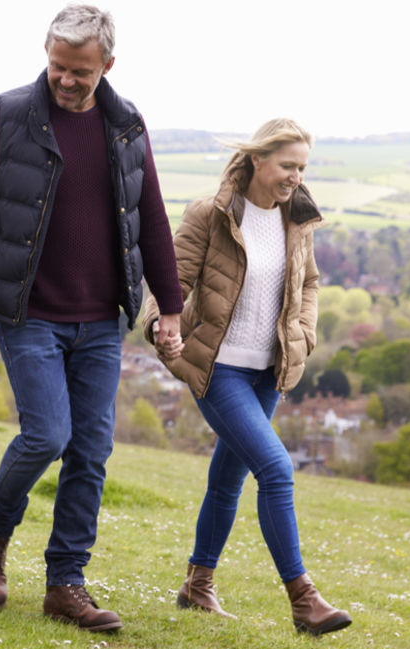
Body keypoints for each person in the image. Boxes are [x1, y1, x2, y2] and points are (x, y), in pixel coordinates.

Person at [0, 3, 184, 633]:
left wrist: (171, 308)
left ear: (108, 65)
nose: (66, 80)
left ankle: (66, 584)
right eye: (57, 66)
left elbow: (151, 220)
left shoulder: (126, 125)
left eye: (80, 71)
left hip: (101, 319)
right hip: (29, 312)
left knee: (91, 451)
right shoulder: (8, 116)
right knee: (47, 435)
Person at [140, 118, 352, 636]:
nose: (295, 177)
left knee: (227, 479)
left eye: (302, 168)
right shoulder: (210, 215)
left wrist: (303, 334)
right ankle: (303, 599)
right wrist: (160, 324)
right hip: (219, 369)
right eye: (287, 165)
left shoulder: (296, 220)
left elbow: (309, 283)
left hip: (267, 372)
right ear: (258, 159)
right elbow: (171, 280)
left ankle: (197, 584)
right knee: (276, 469)